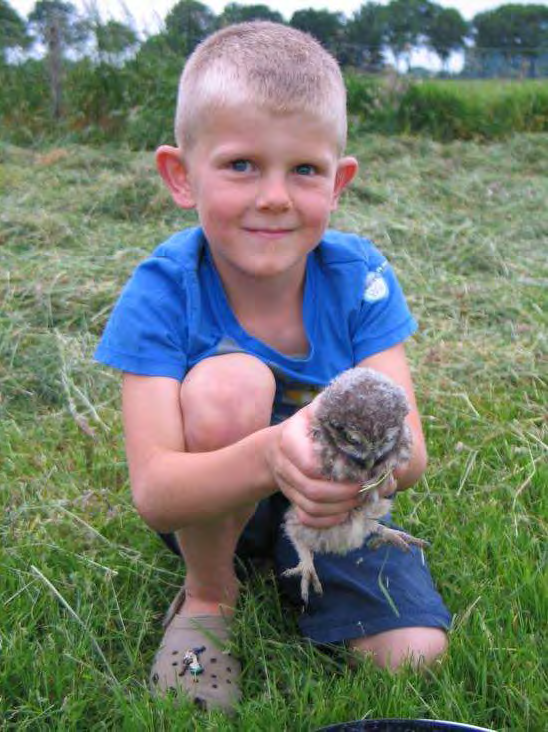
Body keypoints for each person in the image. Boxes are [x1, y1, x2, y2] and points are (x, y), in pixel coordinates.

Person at [95, 21, 451, 713]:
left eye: (304, 170)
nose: (275, 197)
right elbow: (157, 494)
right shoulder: (161, 289)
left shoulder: (361, 277)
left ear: (338, 181)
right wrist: (269, 456)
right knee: (232, 380)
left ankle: (306, 567)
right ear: (180, 175)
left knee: (410, 659)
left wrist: (349, 467)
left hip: (337, 512)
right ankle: (209, 593)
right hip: (214, 498)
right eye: (240, 165)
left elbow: (409, 462)